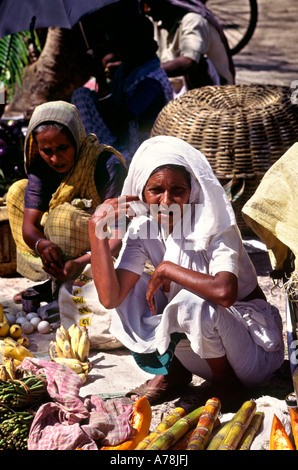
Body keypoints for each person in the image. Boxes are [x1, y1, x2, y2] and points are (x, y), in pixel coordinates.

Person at [89, 135, 284, 405]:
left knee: (192, 300)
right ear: (142, 192)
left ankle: (227, 384)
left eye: (177, 190)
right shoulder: (143, 228)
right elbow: (111, 297)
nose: (166, 201)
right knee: (132, 288)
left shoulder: (214, 224)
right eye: (156, 190)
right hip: (203, 352)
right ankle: (175, 372)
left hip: (252, 351)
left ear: (191, 191)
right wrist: (96, 228)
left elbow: (225, 292)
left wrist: (168, 269)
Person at [6, 100, 127, 303]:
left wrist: (80, 262)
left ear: (77, 138)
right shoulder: (40, 164)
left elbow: (119, 235)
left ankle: (74, 281)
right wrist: (43, 246)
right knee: (17, 192)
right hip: (62, 245)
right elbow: (29, 226)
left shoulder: (105, 165)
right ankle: (55, 279)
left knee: (61, 219)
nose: (55, 158)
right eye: (47, 151)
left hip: (106, 245)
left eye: (63, 148)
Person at [71, 15, 173, 166]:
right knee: (82, 95)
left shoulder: (150, 83)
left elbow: (118, 120)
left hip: (145, 148)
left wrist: (100, 79)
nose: (117, 50)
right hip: (126, 138)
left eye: (121, 45)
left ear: (134, 46)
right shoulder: (129, 70)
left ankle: (97, 156)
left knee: (110, 163)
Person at [140, 0, 235, 97]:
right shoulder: (153, 19)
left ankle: (201, 109)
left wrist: (147, 71)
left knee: (198, 65)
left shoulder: (193, 20)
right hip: (172, 90)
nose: (147, 9)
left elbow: (189, 62)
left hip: (213, 92)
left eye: (152, 4)